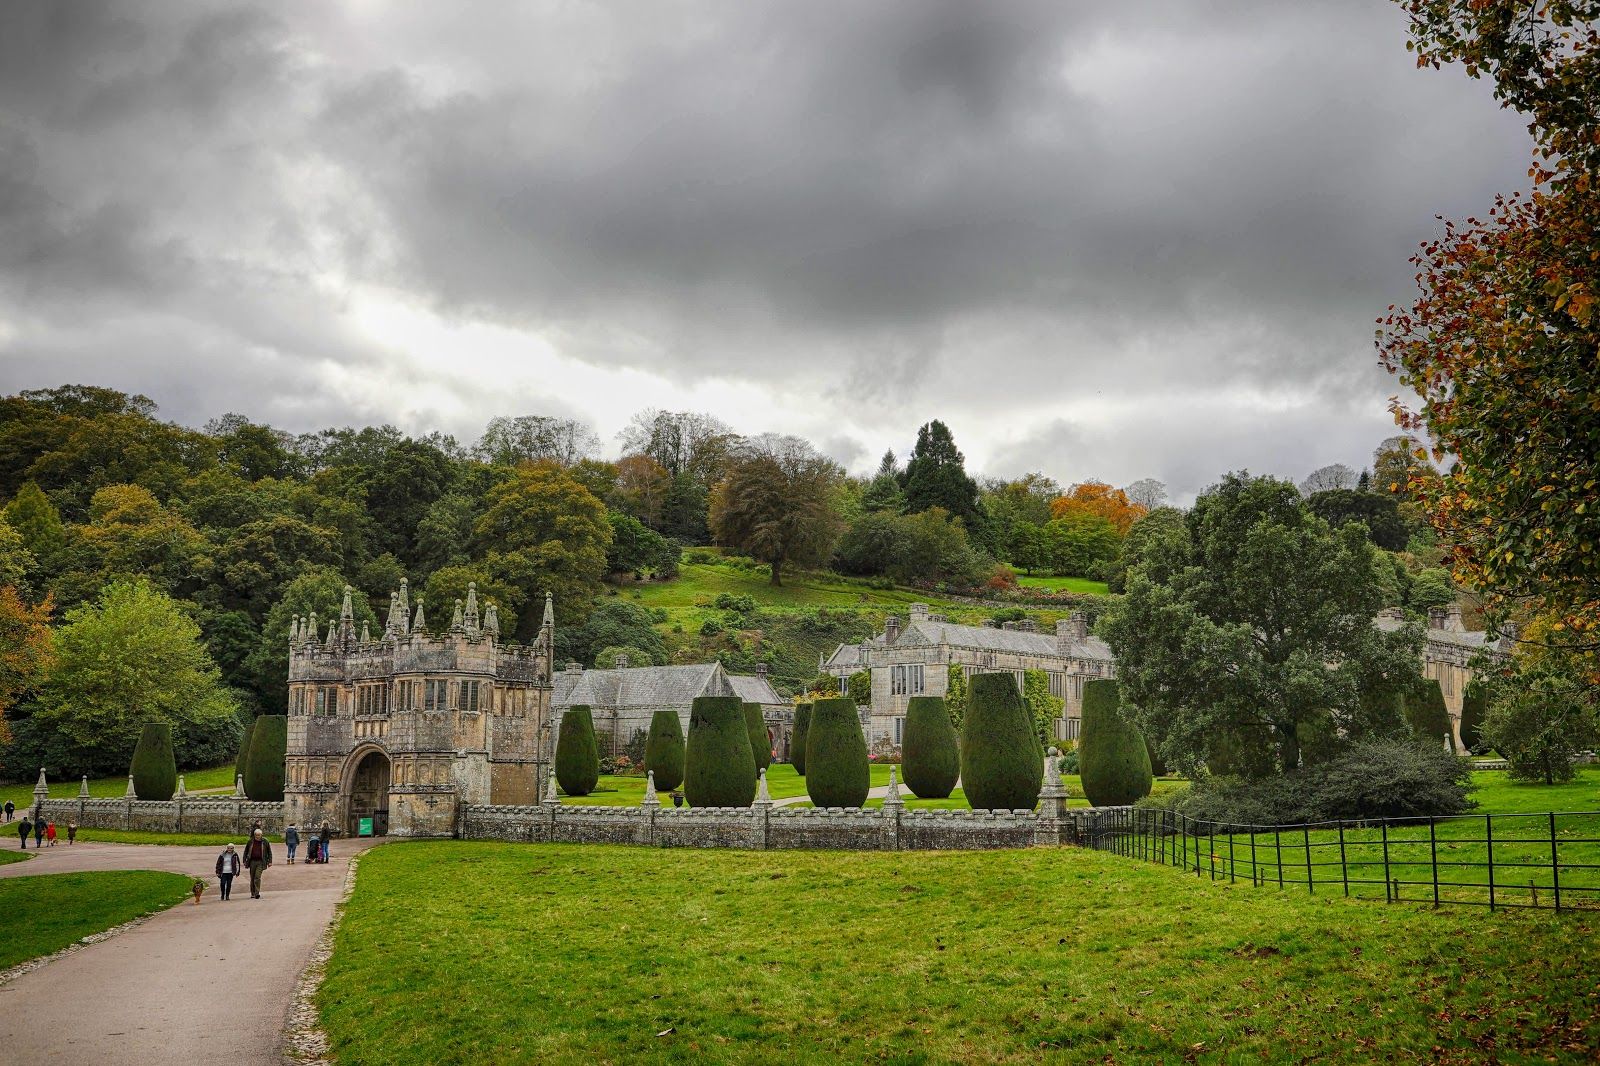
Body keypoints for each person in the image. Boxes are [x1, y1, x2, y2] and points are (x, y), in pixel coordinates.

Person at [243, 828, 272, 899]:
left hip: (261, 862)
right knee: (252, 877)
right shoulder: (250, 841)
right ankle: (252, 893)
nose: (257, 836)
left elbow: (269, 852)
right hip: (252, 861)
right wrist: (244, 860)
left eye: (258, 835)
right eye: (256, 835)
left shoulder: (265, 841)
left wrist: (270, 861)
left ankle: (257, 893)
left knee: (257, 877)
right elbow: (246, 851)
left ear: (261, 835)